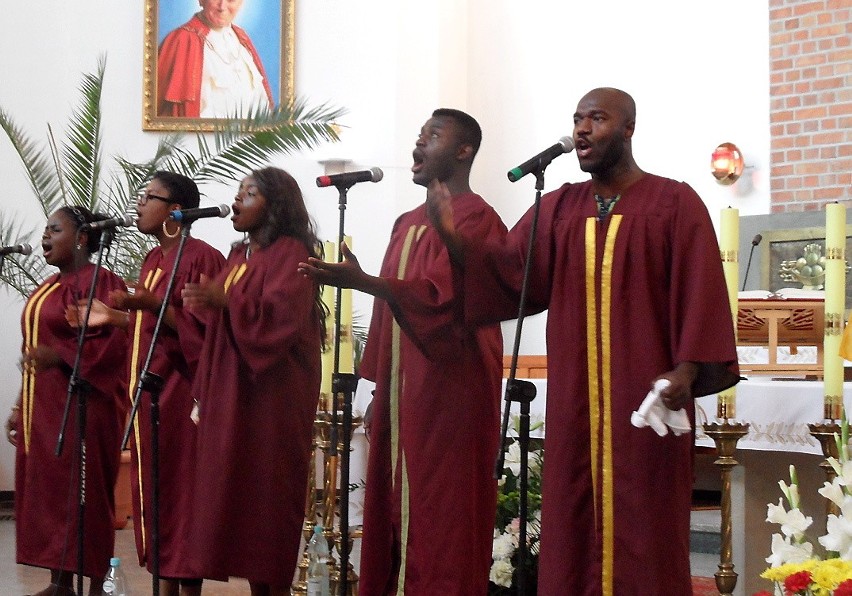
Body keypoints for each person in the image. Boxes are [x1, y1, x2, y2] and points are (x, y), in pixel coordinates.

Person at [426, 88, 741, 594]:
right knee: (573, 531)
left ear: (628, 129)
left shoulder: (673, 203)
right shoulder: (557, 207)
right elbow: (510, 274)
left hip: (645, 410)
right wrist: (454, 237)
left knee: (645, 532)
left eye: (597, 118)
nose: (582, 130)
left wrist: (686, 369)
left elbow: (701, 292)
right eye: (577, 120)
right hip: (576, 410)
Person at [299, 108, 507, 595]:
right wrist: (378, 389)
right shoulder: (405, 223)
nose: (417, 147)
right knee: (391, 514)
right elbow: (395, 308)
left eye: (431, 137)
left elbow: (453, 304)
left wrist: (368, 282)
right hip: (400, 398)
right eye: (417, 136)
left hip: (451, 397)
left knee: (442, 520)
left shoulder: (478, 219)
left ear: (463, 150)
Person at [67, 172, 226, 595]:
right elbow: (151, 328)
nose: (138, 204)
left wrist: (150, 303)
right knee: (157, 498)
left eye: (149, 197)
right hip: (152, 396)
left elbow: (207, 332)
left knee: (181, 498)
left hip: (182, 394)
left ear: (176, 210)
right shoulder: (155, 260)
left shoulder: (201, 257)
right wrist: (116, 316)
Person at [182, 167, 324, 595]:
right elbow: (223, 321)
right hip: (232, 394)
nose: (237, 200)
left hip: (272, 399)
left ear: (276, 203)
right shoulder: (239, 256)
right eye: (238, 192)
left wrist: (225, 300)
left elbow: (281, 320)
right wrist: (208, 304)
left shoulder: (293, 252)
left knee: (267, 499)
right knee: (231, 497)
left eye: (250, 193)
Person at [5, 206, 128, 596]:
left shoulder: (103, 282)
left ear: (81, 238)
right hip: (45, 407)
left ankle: (95, 585)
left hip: (86, 405)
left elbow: (112, 345)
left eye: (54, 230)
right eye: (45, 229)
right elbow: (34, 350)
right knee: (54, 495)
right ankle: (60, 581)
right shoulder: (48, 286)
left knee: (86, 495)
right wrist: (20, 405)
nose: (44, 237)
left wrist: (59, 357)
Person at [157, 0, 274, 118]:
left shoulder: (242, 38)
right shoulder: (181, 40)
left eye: (231, 0)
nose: (222, 7)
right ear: (201, 1)